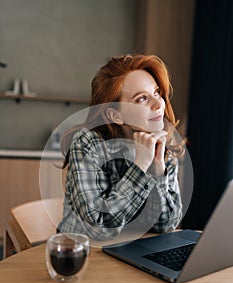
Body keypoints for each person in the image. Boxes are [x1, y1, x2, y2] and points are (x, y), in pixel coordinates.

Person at [57, 54, 183, 241]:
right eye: (142, 99)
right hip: (83, 252)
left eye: (156, 92)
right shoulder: (87, 143)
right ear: (115, 115)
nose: (158, 104)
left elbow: (166, 225)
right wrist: (140, 165)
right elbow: (98, 229)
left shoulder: (162, 144)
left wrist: (158, 171)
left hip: (133, 250)